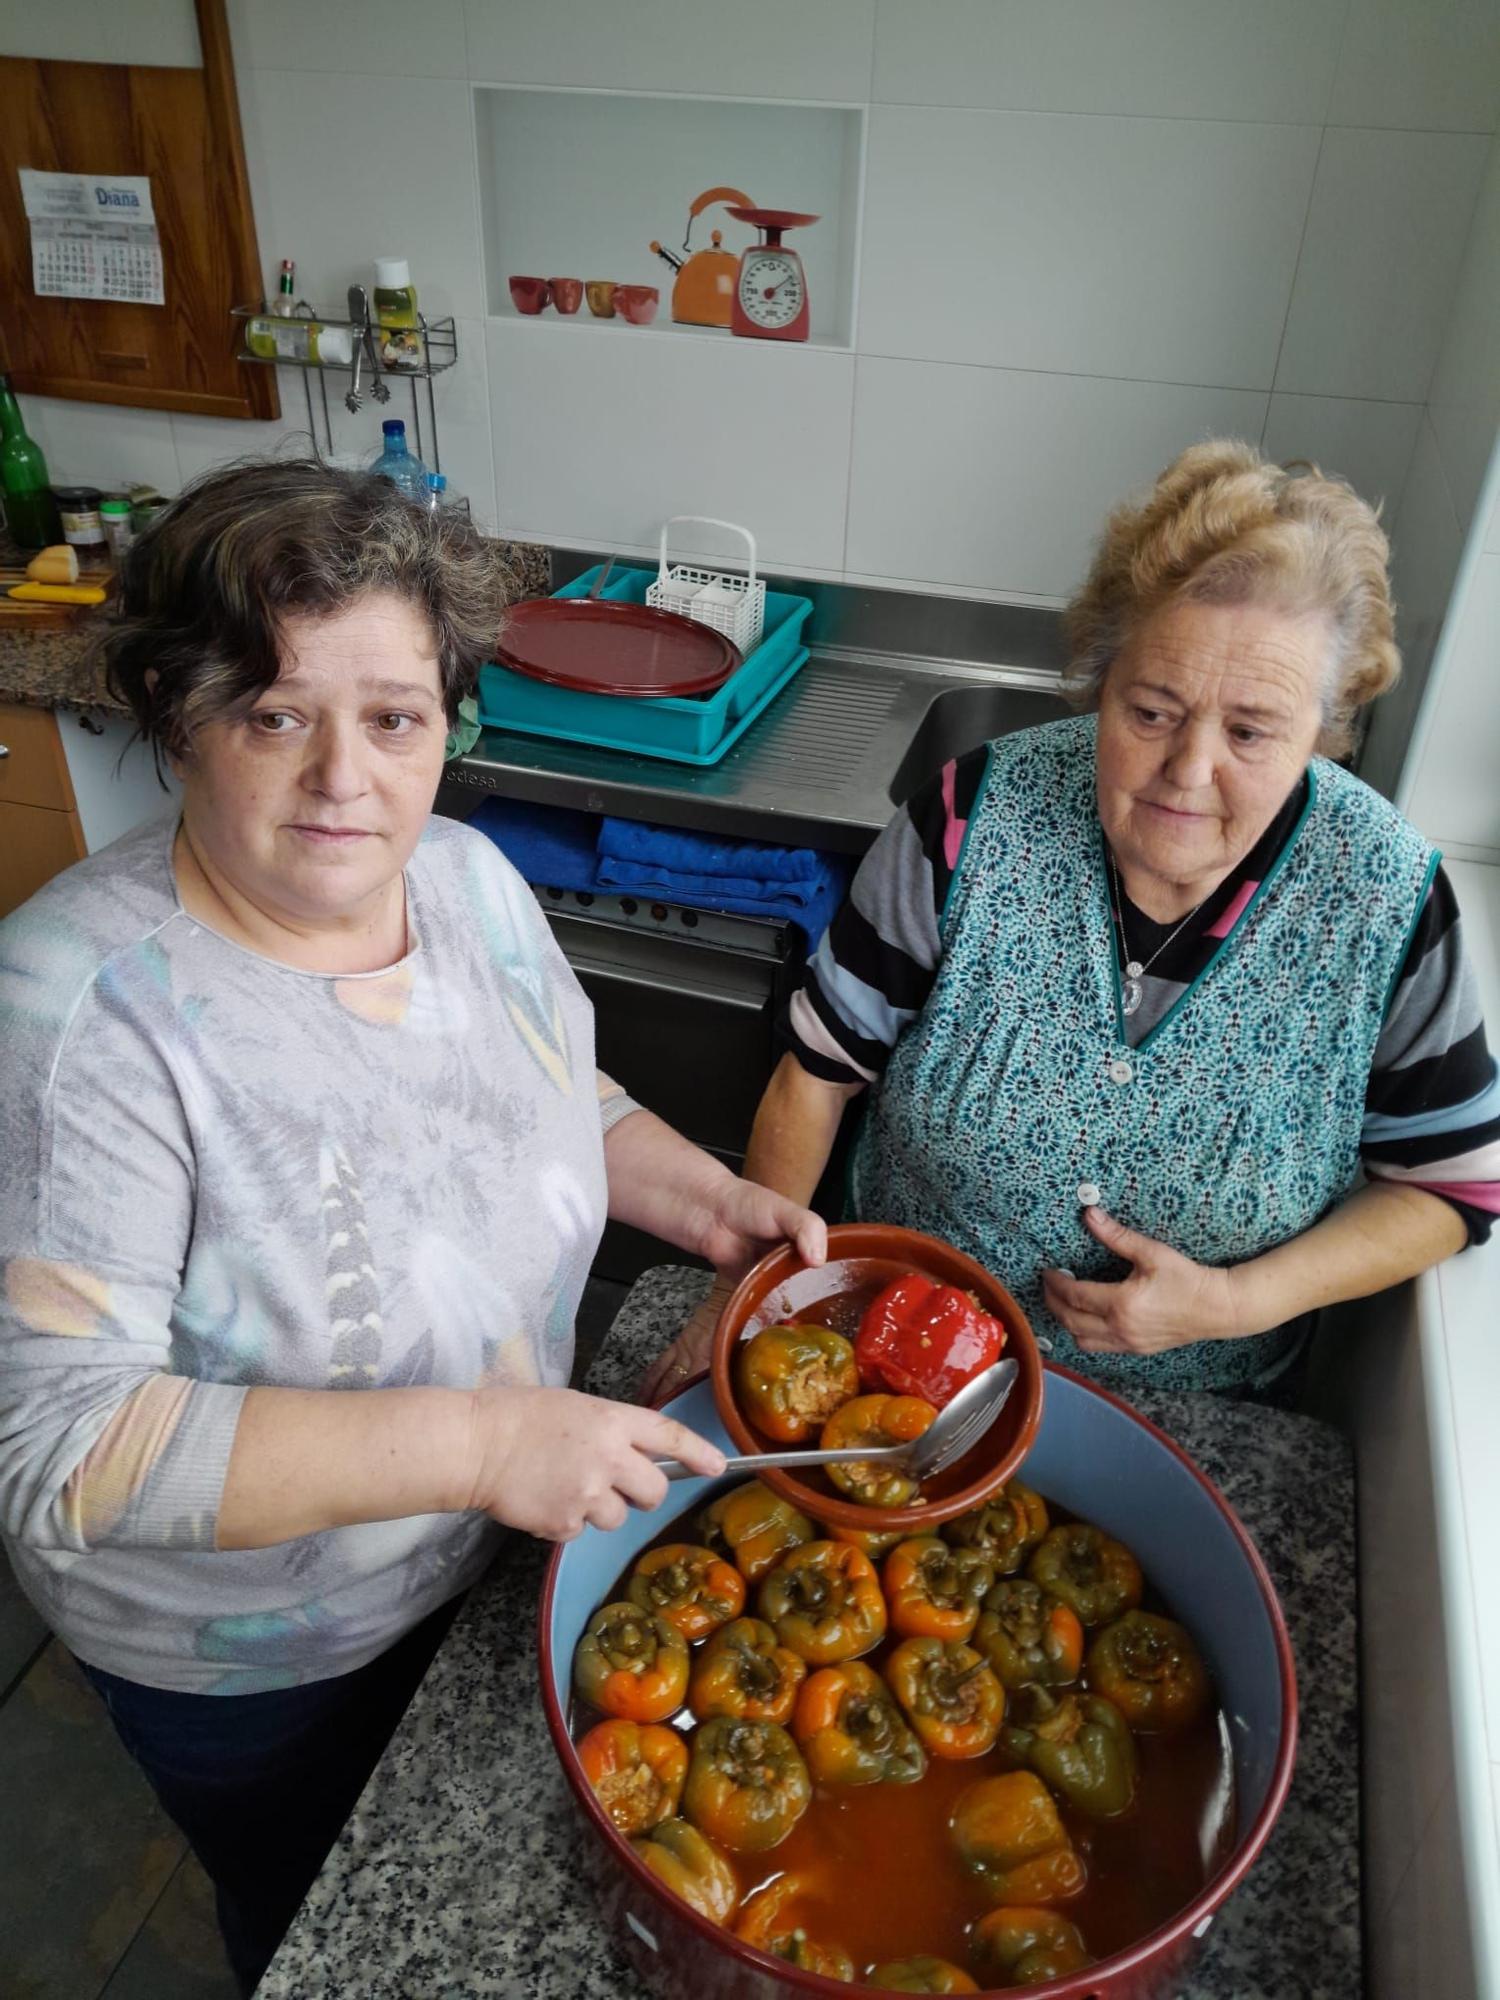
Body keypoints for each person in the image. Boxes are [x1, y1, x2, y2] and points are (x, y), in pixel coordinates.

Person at [0, 460, 824, 1993]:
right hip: (259, 1662)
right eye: (272, 714)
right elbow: (64, 1454)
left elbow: (552, 1092)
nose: (344, 781)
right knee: (337, 1931)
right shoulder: (79, 1014)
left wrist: (700, 1192)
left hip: (481, 1558)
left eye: (394, 718)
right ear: (177, 718)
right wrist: (489, 1443)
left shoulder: (462, 878)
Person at [647, 440, 1496, 1406]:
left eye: (1252, 732)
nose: (1188, 769)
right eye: (1150, 711)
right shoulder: (973, 815)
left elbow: (1449, 1188)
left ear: (1326, 731)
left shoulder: (1387, 899)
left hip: (1189, 1407)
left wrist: (1230, 1300)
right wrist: (738, 1299)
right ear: (1101, 679)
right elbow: (818, 1073)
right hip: (889, 1370)